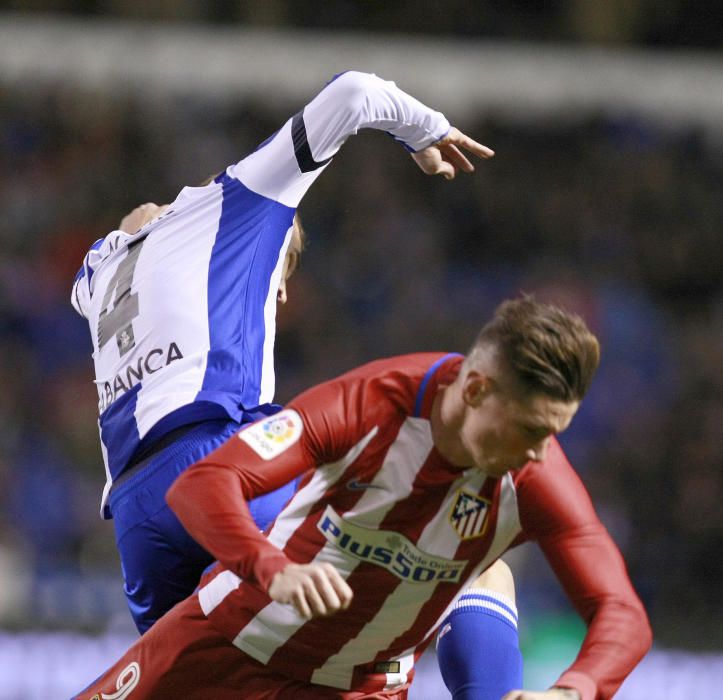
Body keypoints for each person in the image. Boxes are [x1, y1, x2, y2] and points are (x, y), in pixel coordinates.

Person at [70, 70, 494, 633]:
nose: (282, 290)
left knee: (208, 681)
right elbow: (354, 93)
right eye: (279, 272)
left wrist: (142, 221)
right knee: (467, 561)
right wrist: (427, 132)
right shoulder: (242, 200)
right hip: (223, 465)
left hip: (136, 517)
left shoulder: (100, 268)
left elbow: (130, 230)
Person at [75, 296, 652, 700]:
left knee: (486, 569)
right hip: (226, 643)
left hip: (359, 687)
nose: (539, 452)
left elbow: (622, 613)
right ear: (475, 389)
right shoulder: (375, 403)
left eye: (554, 433)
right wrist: (271, 568)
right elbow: (203, 483)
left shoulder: (536, 478)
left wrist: (574, 691)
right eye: (530, 429)